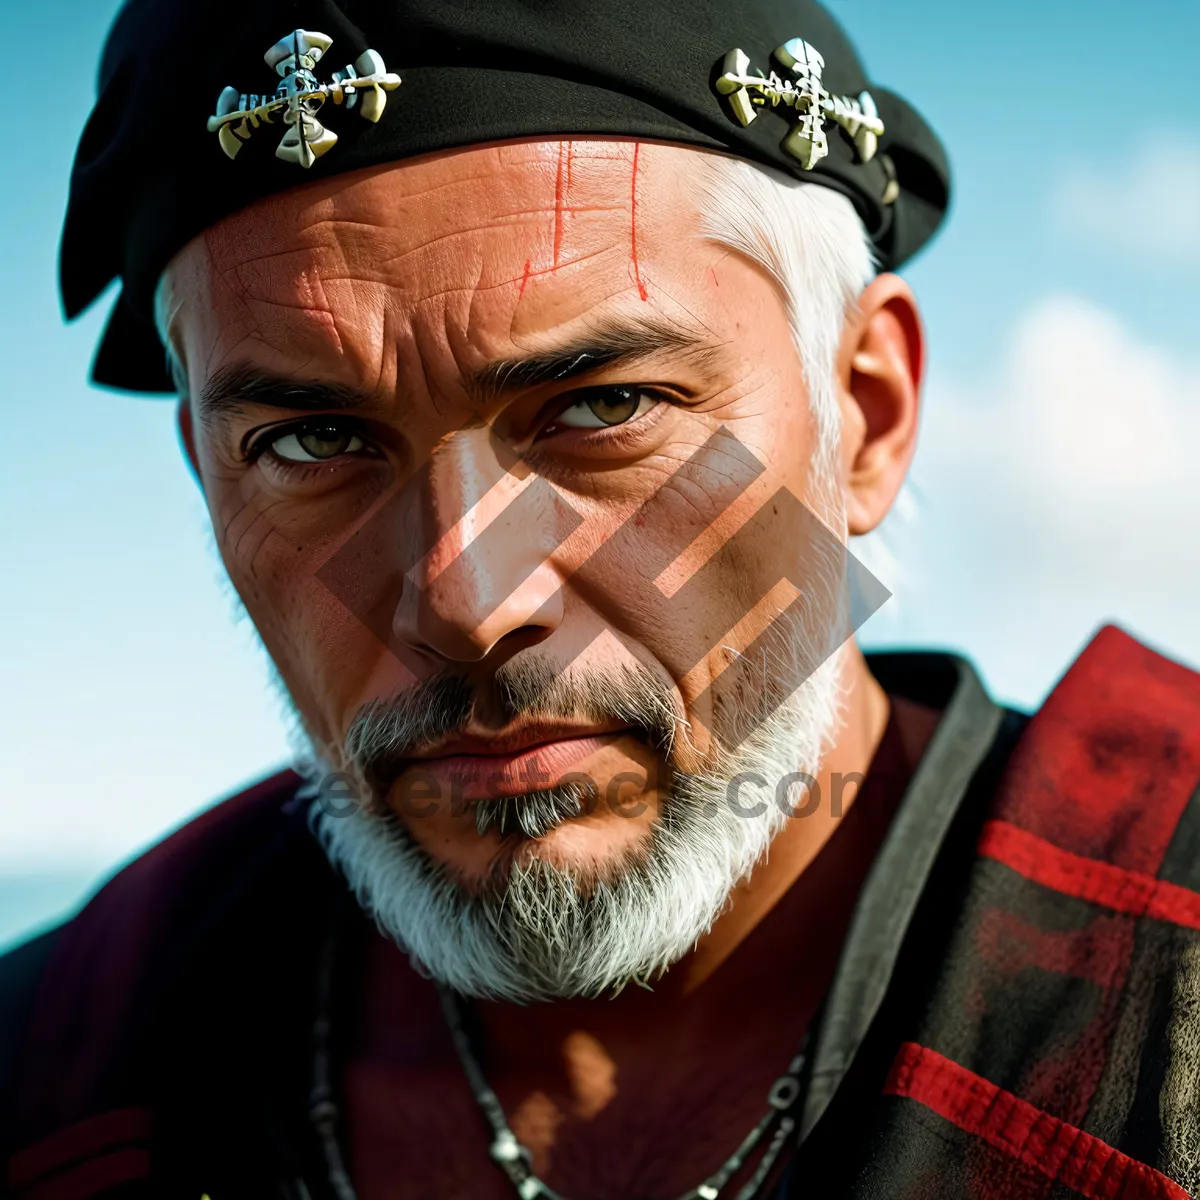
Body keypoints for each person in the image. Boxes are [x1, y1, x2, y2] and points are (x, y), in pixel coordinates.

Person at [3, 0, 1199, 1197]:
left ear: (866, 414)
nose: (469, 604)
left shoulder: (1172, 960)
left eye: (603, 408)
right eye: (315, 440)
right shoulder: (62, 1066)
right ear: (205, 477)